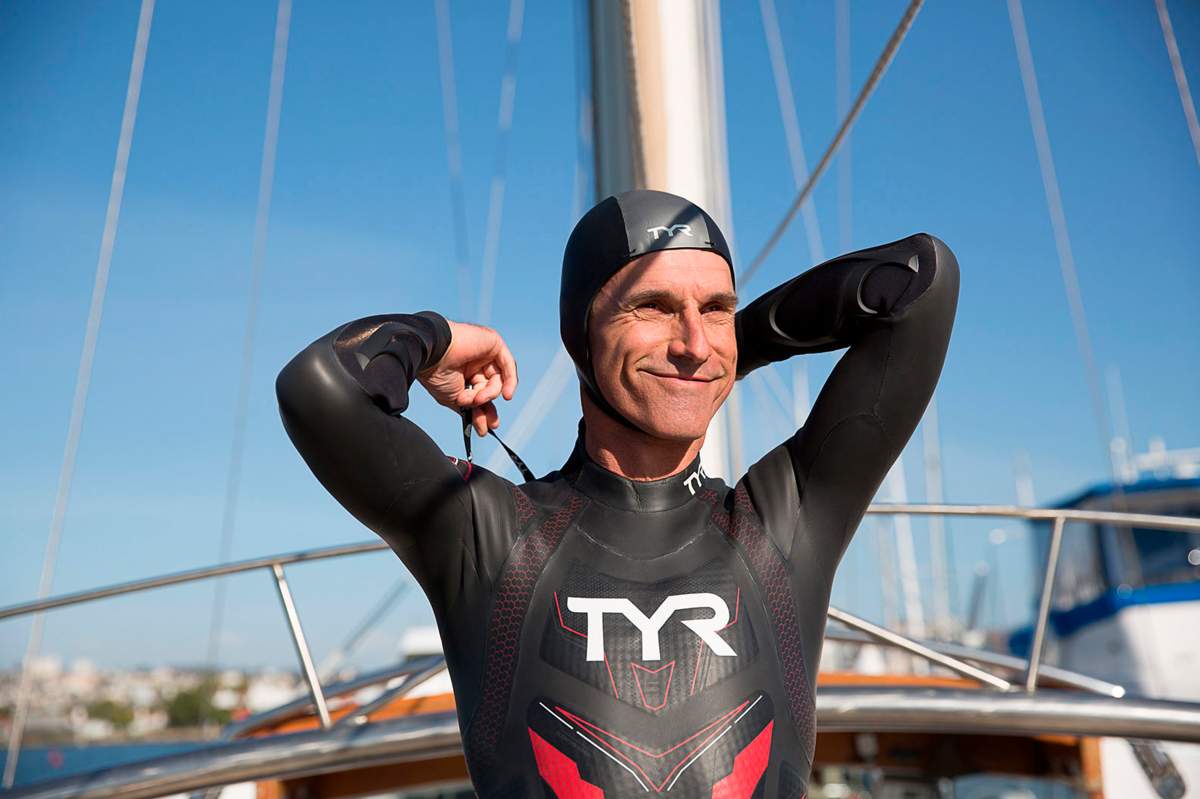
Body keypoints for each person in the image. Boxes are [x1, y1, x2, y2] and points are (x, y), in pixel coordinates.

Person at [276, 189, 958, 798]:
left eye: (715, 308)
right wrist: (437, 337)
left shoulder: (782, 520)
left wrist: (717, 359)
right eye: (654, 308)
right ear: (581, 335)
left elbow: (919, 283)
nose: (692, 340)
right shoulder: (489, 536)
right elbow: (320, 387)